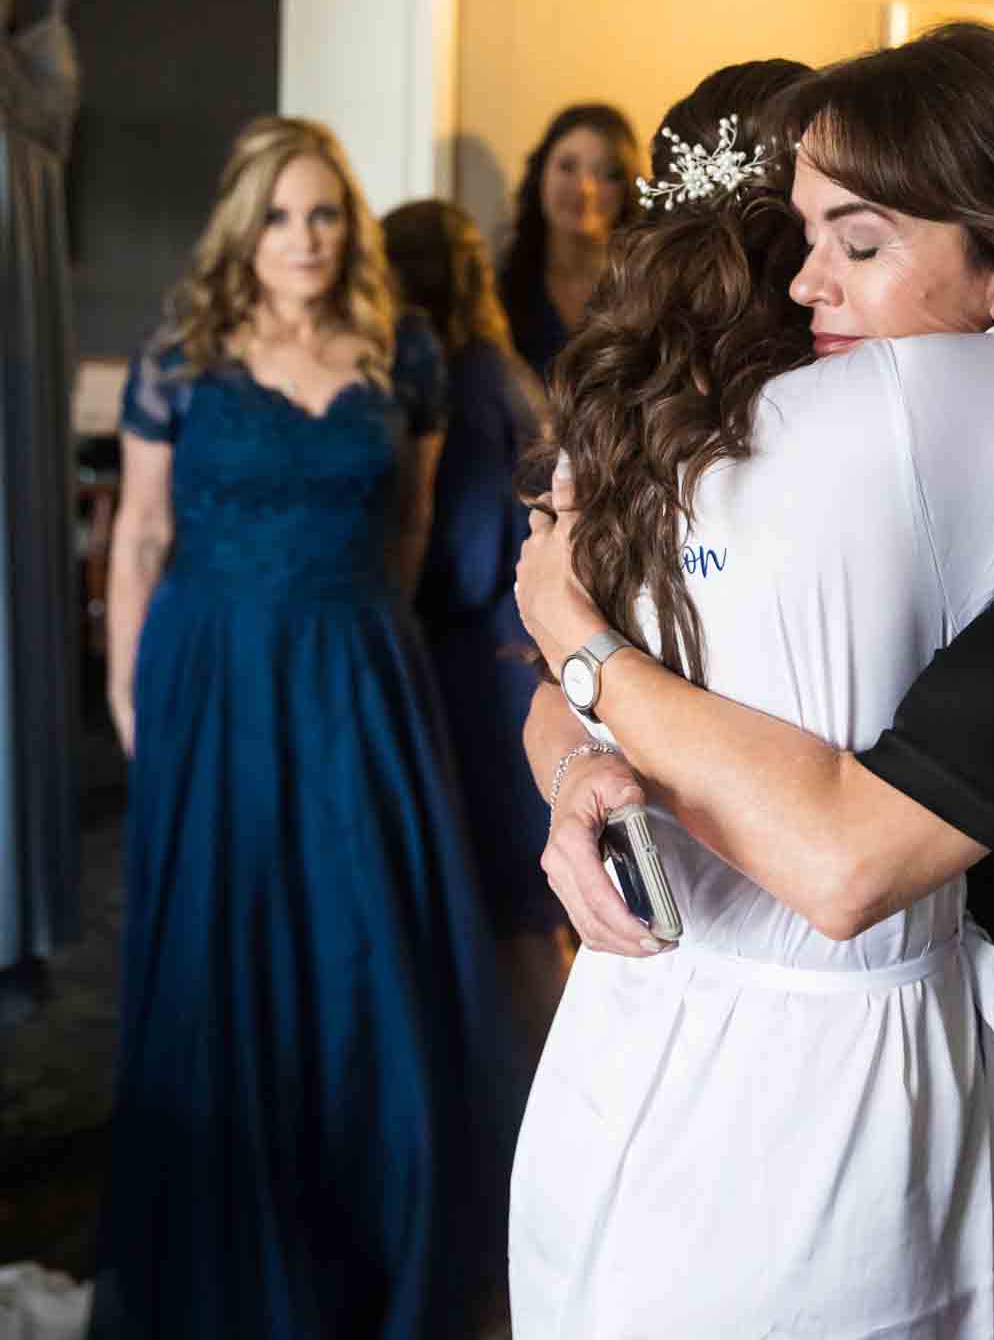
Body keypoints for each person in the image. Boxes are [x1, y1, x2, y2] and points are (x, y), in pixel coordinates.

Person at [509, 41, 994, 1340]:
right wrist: (581, 763)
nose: (803, 277)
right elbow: (611, 709)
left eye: (858, 241)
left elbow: (842, 856)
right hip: (957, 1065)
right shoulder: (837, 449)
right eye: (804, 230)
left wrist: (580, 641)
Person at [97, 117, 518, 1340]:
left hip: (353, 669)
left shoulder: (408, 350)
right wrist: (130, 690)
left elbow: (412, 525)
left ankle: (370, 1236)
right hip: (208, 670)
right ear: (244, 222)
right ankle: (230, 1244)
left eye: (326, 212)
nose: (306, 237)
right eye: (280, 214)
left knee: (364, 946)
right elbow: (136, 534)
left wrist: (362, 639)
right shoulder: (182, 349)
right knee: (221, 943)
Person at [382, 196, 573, 1063]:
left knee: (516, 914)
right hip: (522, 657)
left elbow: (458, 560)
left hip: (480, 673)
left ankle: (543, 1106)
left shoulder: (461, 385)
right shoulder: (507, 371)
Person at [498, 102, 641, 380]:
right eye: (567, 167)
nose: (584, 188)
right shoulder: (501, 293)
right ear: (540, 173)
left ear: (627, 189)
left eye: (607, 174)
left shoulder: (647, 294)